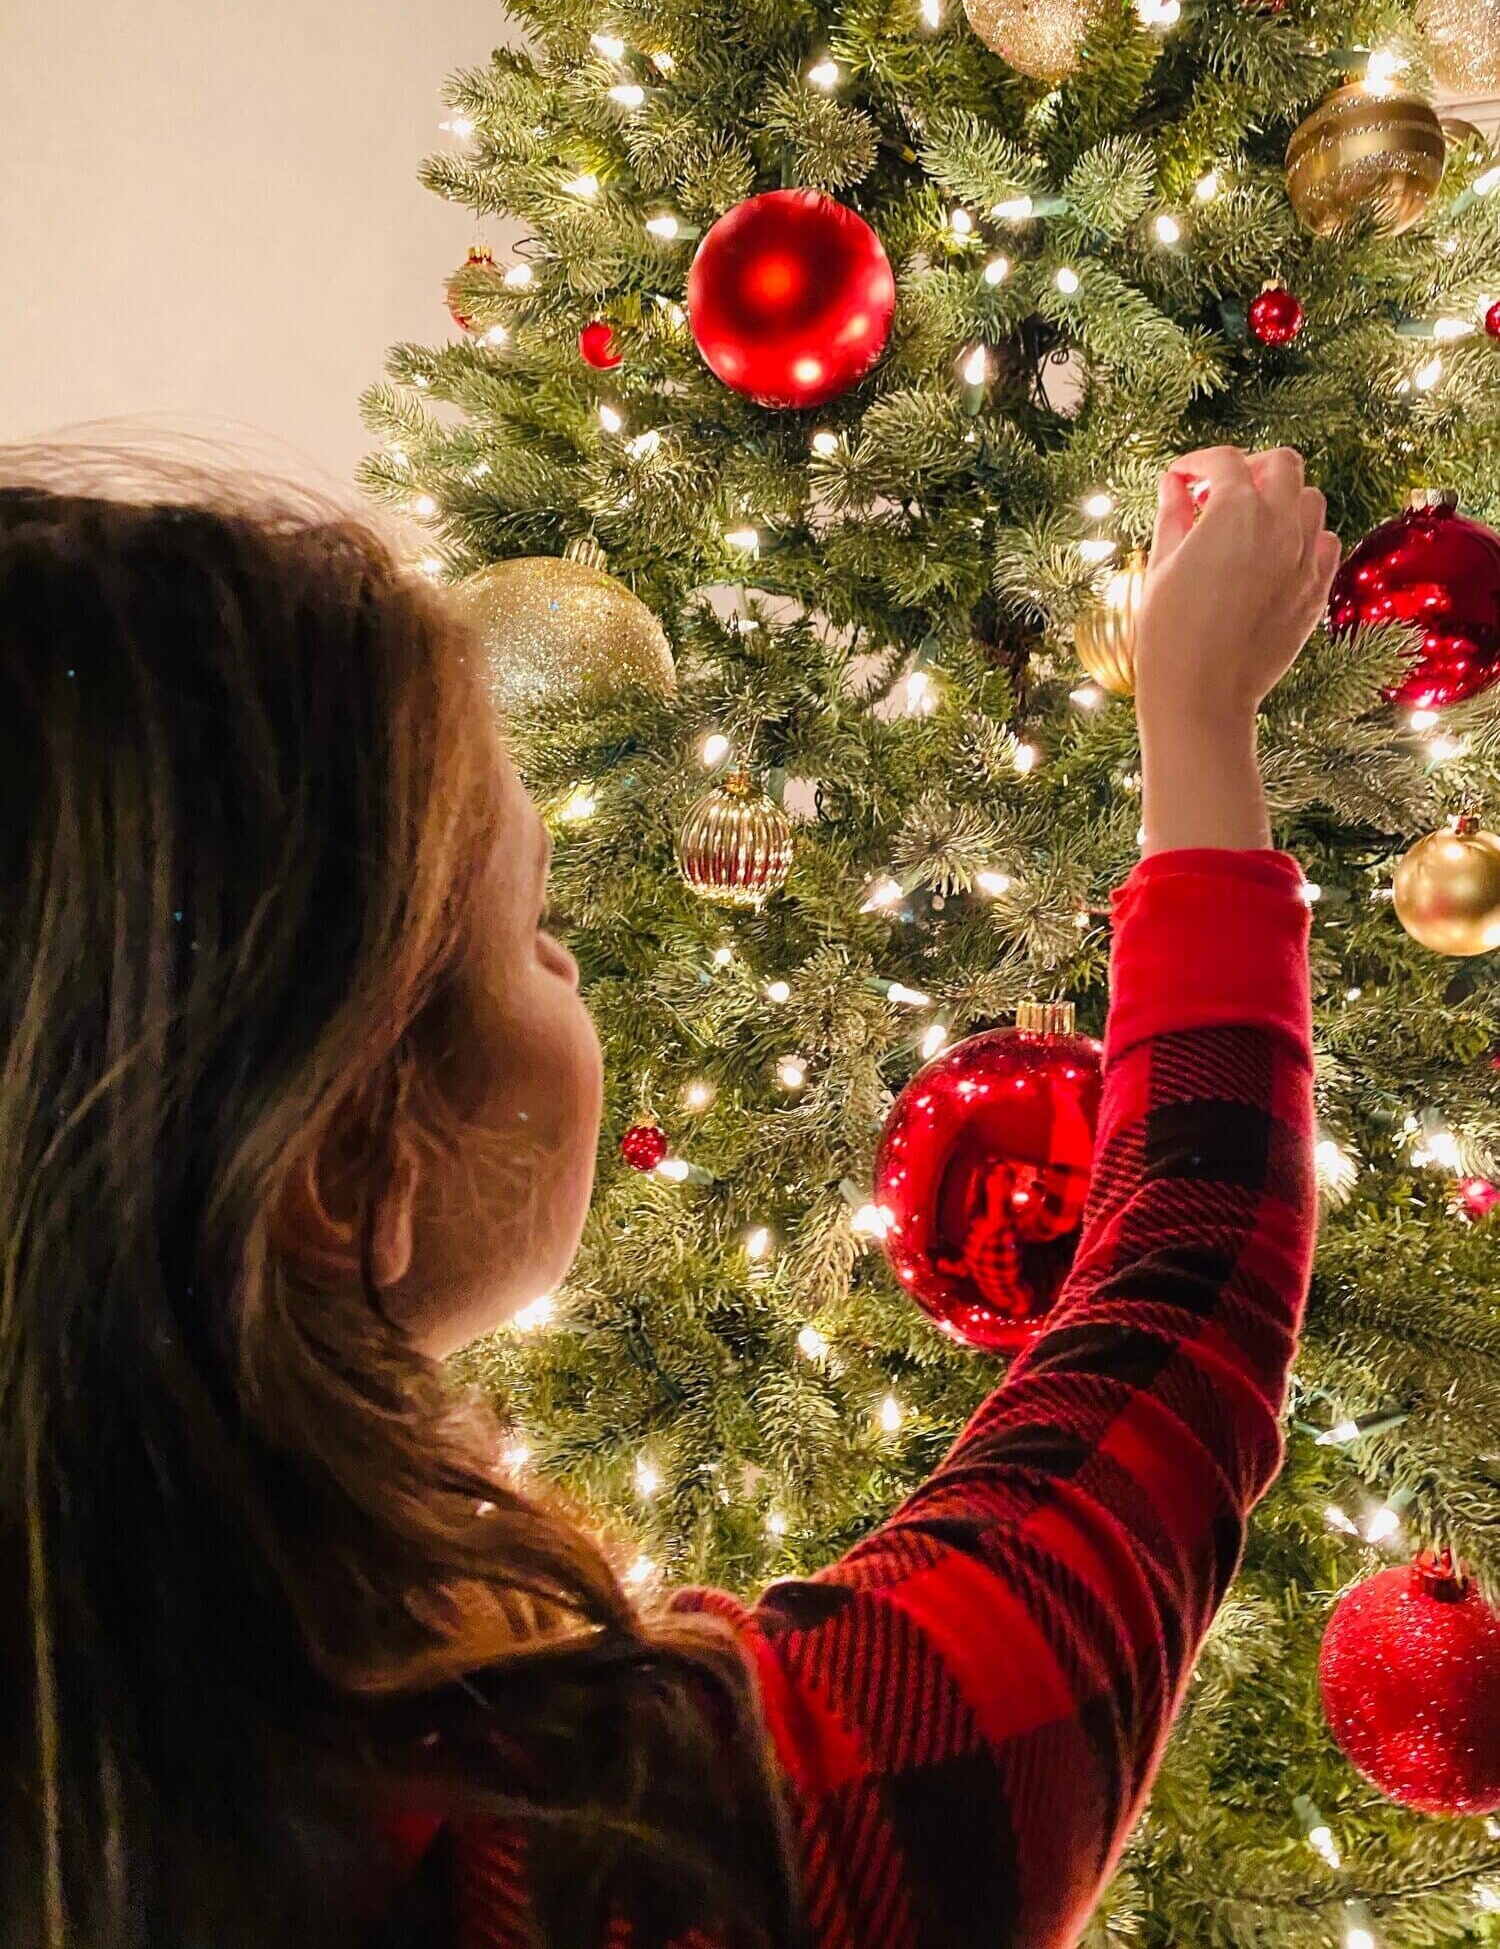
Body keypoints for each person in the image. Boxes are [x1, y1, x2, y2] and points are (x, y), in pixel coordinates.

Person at [0, 437, 1338, 1949]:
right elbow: (1180, 1312)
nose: (568, 965)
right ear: (341, 1169)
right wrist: (1200, 714)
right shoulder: (659, 1854)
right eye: (530, 927)